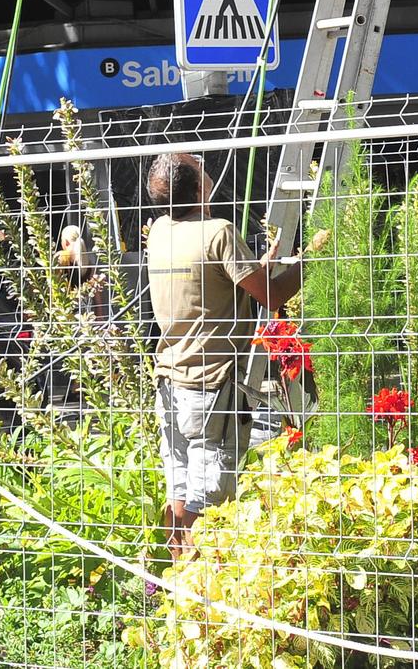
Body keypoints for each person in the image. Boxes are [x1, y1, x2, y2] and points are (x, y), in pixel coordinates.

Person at [144, 151, 305, 560]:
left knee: (179, 486)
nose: (211, 177)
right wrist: (312, 259)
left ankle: (182, 587)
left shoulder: (160, 230)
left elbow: (208, 281)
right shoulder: (218, 232)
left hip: (169, 380)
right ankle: (207, 591)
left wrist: (253, 265)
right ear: (200, 188)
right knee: (209, 490)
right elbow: (271, 295)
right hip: (210, 384)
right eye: (204, 173)